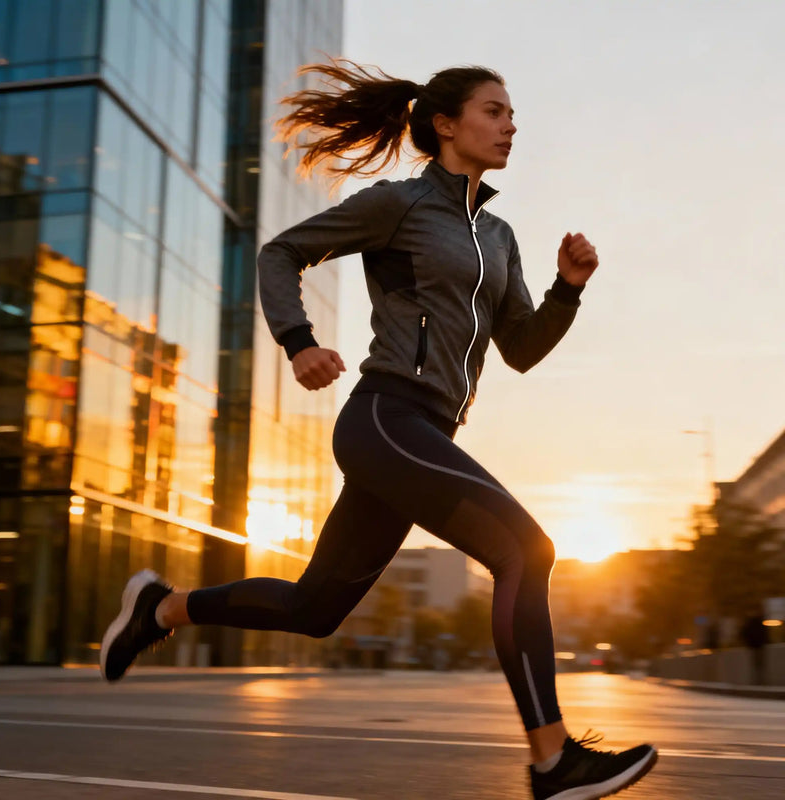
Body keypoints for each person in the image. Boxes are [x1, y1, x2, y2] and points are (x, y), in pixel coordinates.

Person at [100, 60, 658, 800]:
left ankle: (160, 607)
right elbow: (281, 253)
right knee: (527, 550)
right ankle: (554, 759)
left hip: (428, 437)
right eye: (495, 111)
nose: (511, 125)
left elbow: (520, 349)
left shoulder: (499, 236)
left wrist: (566, 289)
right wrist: (298, 342)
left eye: (512, 115)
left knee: (314, 609)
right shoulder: (400, 205)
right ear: (445, 124)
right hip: (385, 419)